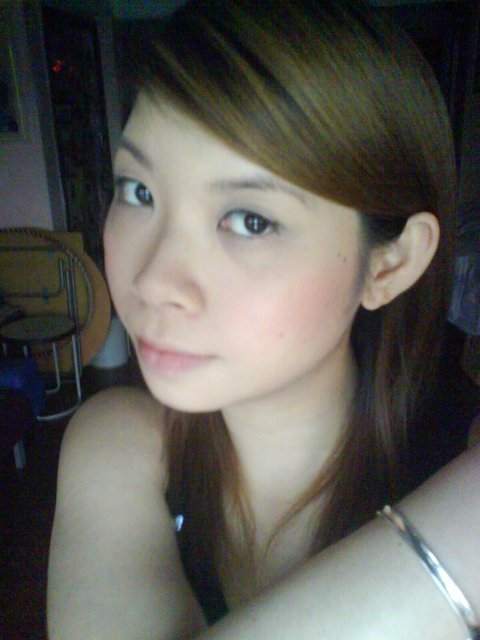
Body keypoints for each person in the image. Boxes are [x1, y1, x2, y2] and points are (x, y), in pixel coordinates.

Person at [47, 1, 480, 638]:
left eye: (251, 220)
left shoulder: (456, 455)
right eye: (139, 191)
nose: (152, 280)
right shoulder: (116, 444)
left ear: (388, 265)